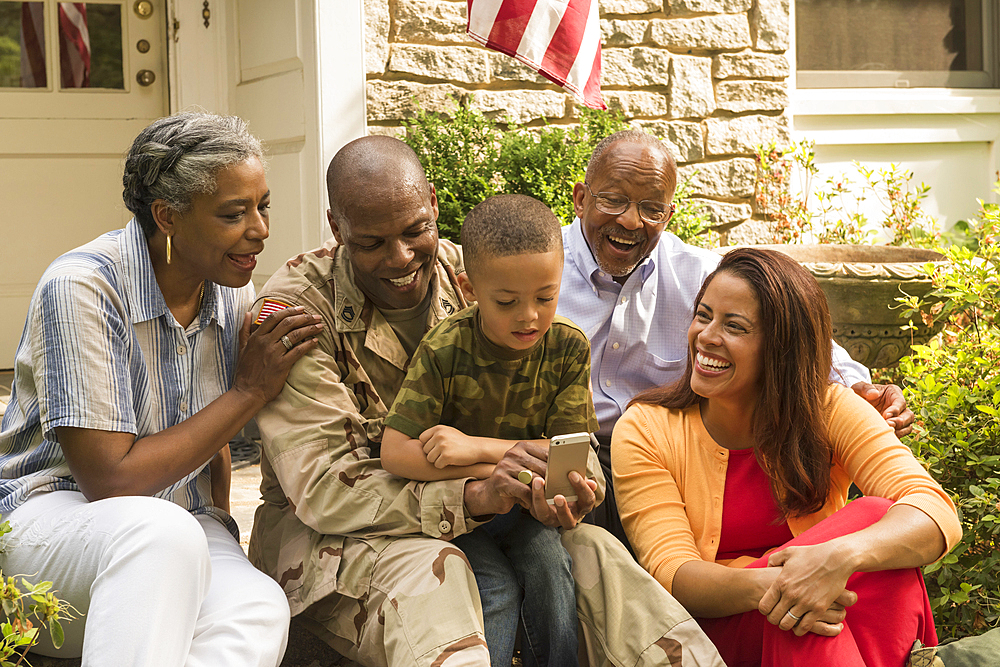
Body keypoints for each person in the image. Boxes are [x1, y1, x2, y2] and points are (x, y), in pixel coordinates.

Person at [247, 135, 727, 667]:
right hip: (339, 537)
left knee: (596, 554)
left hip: (499, 507)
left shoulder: (484, 271)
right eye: (371, 243)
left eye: (415, 231)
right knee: (443, 571)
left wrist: (567, 487)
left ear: (433, 203)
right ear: (337, 229)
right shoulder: (296, 309)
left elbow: (569, 438)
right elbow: (326, 491)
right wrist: (475, 495)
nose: (400, 257)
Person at [0, 112, 322, 665]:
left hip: (181, 525)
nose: (261, 230)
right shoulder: (83, 288)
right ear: (168, 216)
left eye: (263, 205)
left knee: (257, 605)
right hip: (50, 524)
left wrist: (221, 526)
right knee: (160, 534)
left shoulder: (229, 290)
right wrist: (247, 392)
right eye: (233, 213)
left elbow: (211, 445)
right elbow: (109, 480)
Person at [555, 129, 917, 549]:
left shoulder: (701, 274)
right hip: (573, 455)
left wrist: (859, 387)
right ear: (581, 198)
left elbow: (795, 337)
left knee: (872, 521)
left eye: (651, 209)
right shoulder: (543, 272)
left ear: (669, 215)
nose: (631, 221)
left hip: (673, 459)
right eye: (613, 200)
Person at [612, 247, 962, 666]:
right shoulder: (646, 428)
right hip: (720, 628)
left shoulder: (829, 408)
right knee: (813, 597)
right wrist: (790, 584)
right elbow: (675, 575)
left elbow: (934, 510)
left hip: (823, 618)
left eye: (734, 326)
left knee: (876, 527)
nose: (706, 336)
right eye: (703, 316)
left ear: (781, 347)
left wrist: (838, 559)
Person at [381, 194, 597, 667]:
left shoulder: (566, 346)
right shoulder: (445, 348)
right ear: (469, 287)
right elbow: (395, 453)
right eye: (506, 301)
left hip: (530, 510)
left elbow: (569, 455)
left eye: (547, 296)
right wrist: (490, 468)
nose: (530, 316)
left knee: (552, 573)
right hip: (466, 511)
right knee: (493, 589)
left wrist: (472, 448)